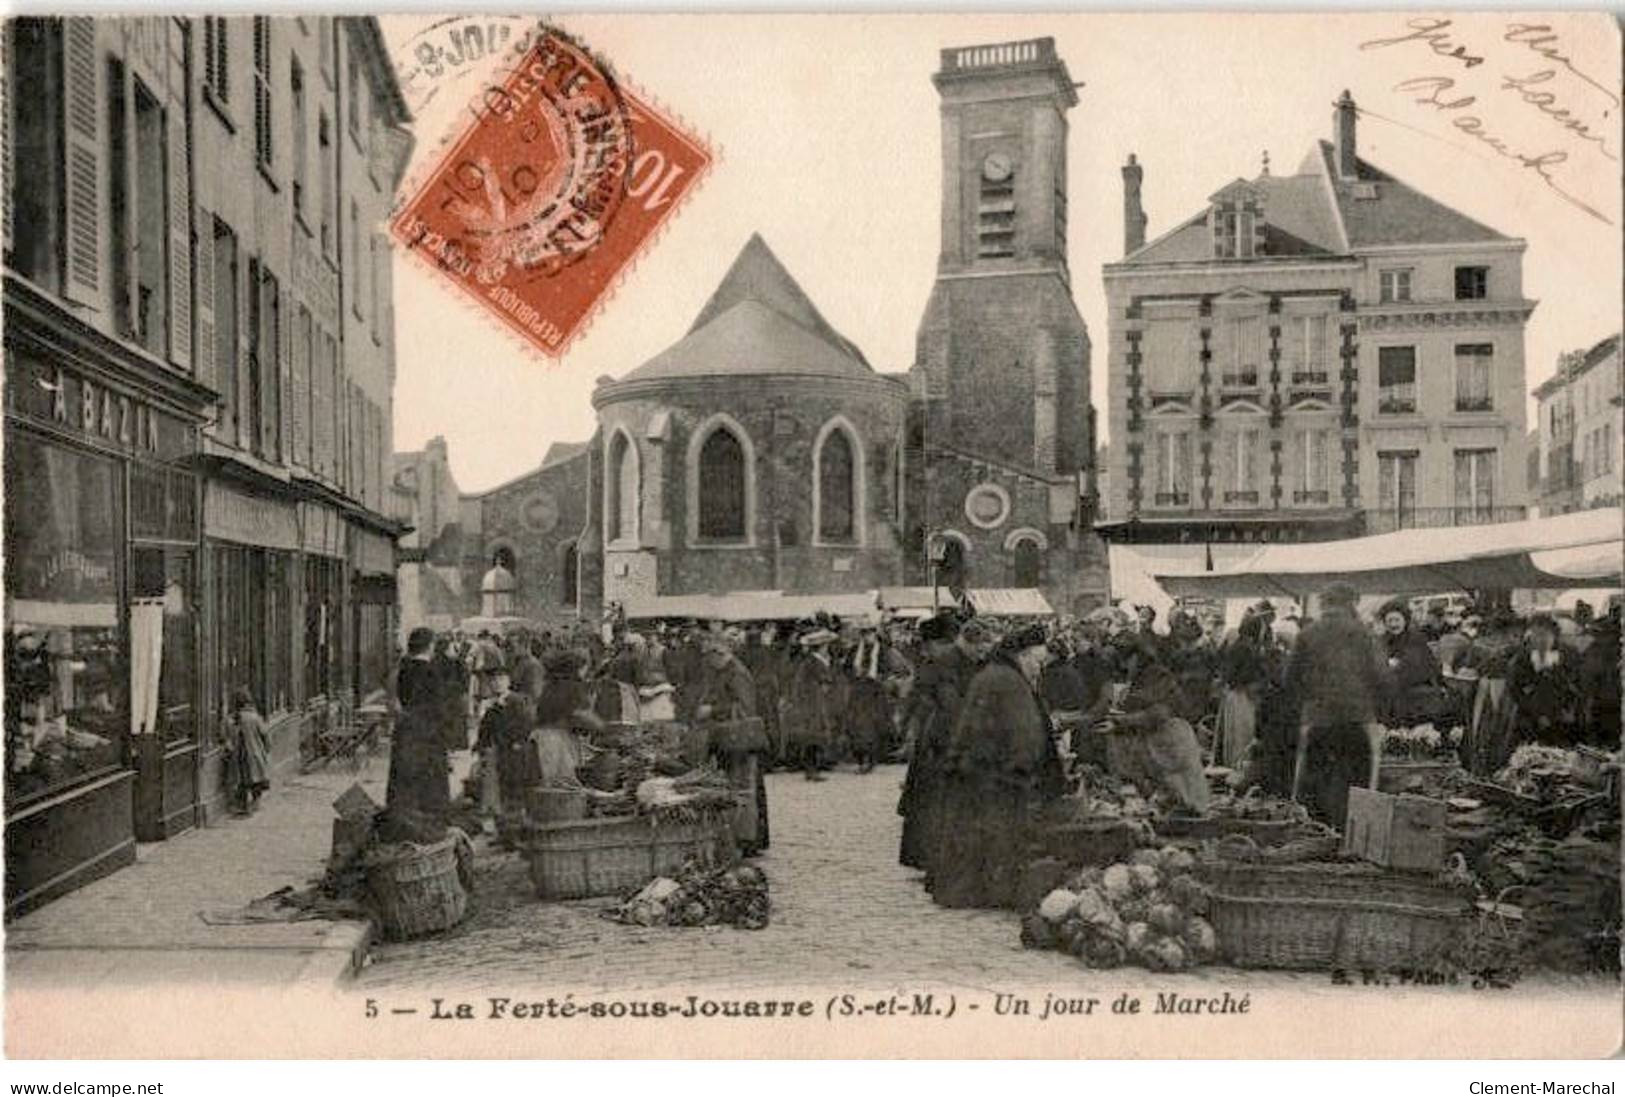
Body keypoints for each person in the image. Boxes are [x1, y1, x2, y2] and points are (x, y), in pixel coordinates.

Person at [931, 624, 1065, 910]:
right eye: (1038, 662)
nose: (1039, 669)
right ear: (1023, 656)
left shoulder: (993, 674)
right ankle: (993, 893)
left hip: (978, 771)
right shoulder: (1010, 682)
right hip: (996, 776)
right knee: (996, 836)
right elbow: (1024, 735)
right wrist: (1027, 772)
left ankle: (969, 891)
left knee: (972, 836)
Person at [1283, 583, 1387, 827]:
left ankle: (1314, 834)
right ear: (1351, 603)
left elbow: (1289, 679)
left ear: (1324, 604)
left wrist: (1309, 700)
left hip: (1318, 718)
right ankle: (1351, 835)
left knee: (1314, 778)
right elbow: (1382, 677)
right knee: (1356, 781)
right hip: (1357, 718)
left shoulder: (1307, 634)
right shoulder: (1365, 634)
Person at [897, 613, 974, 878]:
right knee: (931, 799)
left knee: (925, 799)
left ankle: (924, 854)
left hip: (928, 735)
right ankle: (929, 855)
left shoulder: (935, 662)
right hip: (934, 736)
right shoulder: (943, 663)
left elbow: (915, 697)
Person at [1105, 633, 1210, 814]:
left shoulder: (1156, 675)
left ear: (1137, 656)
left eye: (1126, 659)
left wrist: (1122, 721)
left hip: (1171, 742)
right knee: (1166, 800)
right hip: (1157, 746)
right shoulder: (1137, 677)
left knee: (1184, 798)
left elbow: (1159, 714)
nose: (1123, 665)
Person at [693, 632, 770, 855]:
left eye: (709, 656)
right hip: (730, 740)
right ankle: (742, 836)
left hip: (740, 740)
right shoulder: (724, 671)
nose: (707, 661)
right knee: (738, 787)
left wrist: (712, 710)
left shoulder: (737, 673)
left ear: (719, 653)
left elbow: (745, 708)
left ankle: (747, 839)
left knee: (743, 788)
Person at [384, 627, 451, 842]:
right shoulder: (432, 672)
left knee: (403, 783)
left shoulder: (400, 669)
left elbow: (393, 702)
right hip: (427, 736)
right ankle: (429, 834)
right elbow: (440, 710)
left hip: (406, 734)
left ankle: (401, 830)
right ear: (430, 646)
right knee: (429, 786)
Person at [1507, 615, 1579, 746]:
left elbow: (1575, 684)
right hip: (1530, 718)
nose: (1540, 640)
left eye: (1545, 635)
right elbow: (1516, 689)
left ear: (1554, 635)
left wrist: (1568, 709)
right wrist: (1537, 714)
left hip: (1561, 717)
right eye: (1536, 635)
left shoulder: (1568, 655)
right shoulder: (1522, 659)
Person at [1217, 611, 1274, 768]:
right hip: (1243, 695)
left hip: (1235, 695)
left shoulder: (1238, 646)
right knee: (1243, 734)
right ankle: (1240, 765)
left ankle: (1234, 764)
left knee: (1235, 735)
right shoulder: (1247, 649)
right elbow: (1244, 675)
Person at [1378, 601, 1448, 727]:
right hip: (1392, 700)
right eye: (1389, 621)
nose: (1393, 624)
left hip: (1417, 701)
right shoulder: (1381, 641)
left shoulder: (1416, 639)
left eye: (1397, 620)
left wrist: (1395, 666)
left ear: (1405, 620)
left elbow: (1422, 666)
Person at [783, 628, 839, 780]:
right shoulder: (814, 662)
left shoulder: (810, 661)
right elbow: (824, 681)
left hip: (813, 704)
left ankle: (812, 769)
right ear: (822, 647)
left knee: (813, 737)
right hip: (813, 705)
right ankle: (811, 770)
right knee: (813, 737)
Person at [1579, 613, 1621, 749]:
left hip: (1610, 706)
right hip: (1602, 706)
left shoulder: (1597, 651)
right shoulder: (1594, 651)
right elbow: (1587, 681)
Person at [227, 687, 271, 815]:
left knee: (243, 777)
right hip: (254, 751)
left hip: (241, 752)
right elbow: (265, 734)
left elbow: (231, 735)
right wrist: (267, 749)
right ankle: (254, 802)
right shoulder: (254, 717)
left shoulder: (235, 718)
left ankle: (243, 804)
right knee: (255, 778)